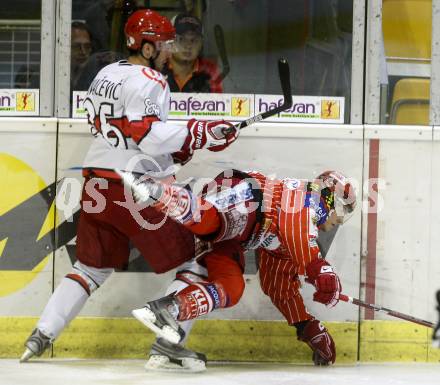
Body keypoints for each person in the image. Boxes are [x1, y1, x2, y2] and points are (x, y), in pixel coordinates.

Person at [20, 8, 239, 363]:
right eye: (165, 43)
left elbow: (127, 136)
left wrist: (180, 151)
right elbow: (148, 136)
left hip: (96, 181)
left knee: (91, 268)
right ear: (148, 47)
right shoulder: (152, 80)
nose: (169, 50)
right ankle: (168, 344)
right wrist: (197, 131)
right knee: (203, 253)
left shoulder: (106, 73)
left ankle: (41, 335)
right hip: (131, 189)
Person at [119, 168, 356, 369]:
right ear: (329, 196)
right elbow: (298, 229)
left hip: (235, 237)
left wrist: (306, 325)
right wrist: (319, 269)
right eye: (343, 211)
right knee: (214, 221)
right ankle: (155, 189)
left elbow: (279, 285)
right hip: (246, 197)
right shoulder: (304, 197)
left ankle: (168, 317)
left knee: (230, 286)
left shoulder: (291, 237)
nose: (339, 222)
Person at [162, 13, 223, 93]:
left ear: (201, 44)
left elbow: (219, 103)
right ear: (170, 41)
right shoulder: (158, 67)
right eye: (181, 39)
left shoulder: (210, 70)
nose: (188, 46)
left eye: (194, 40)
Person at [71, 21, 93, 91]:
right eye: (77, 46)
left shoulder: (96, 79)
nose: (83, 52)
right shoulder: (53, 79)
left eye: (87, 47)